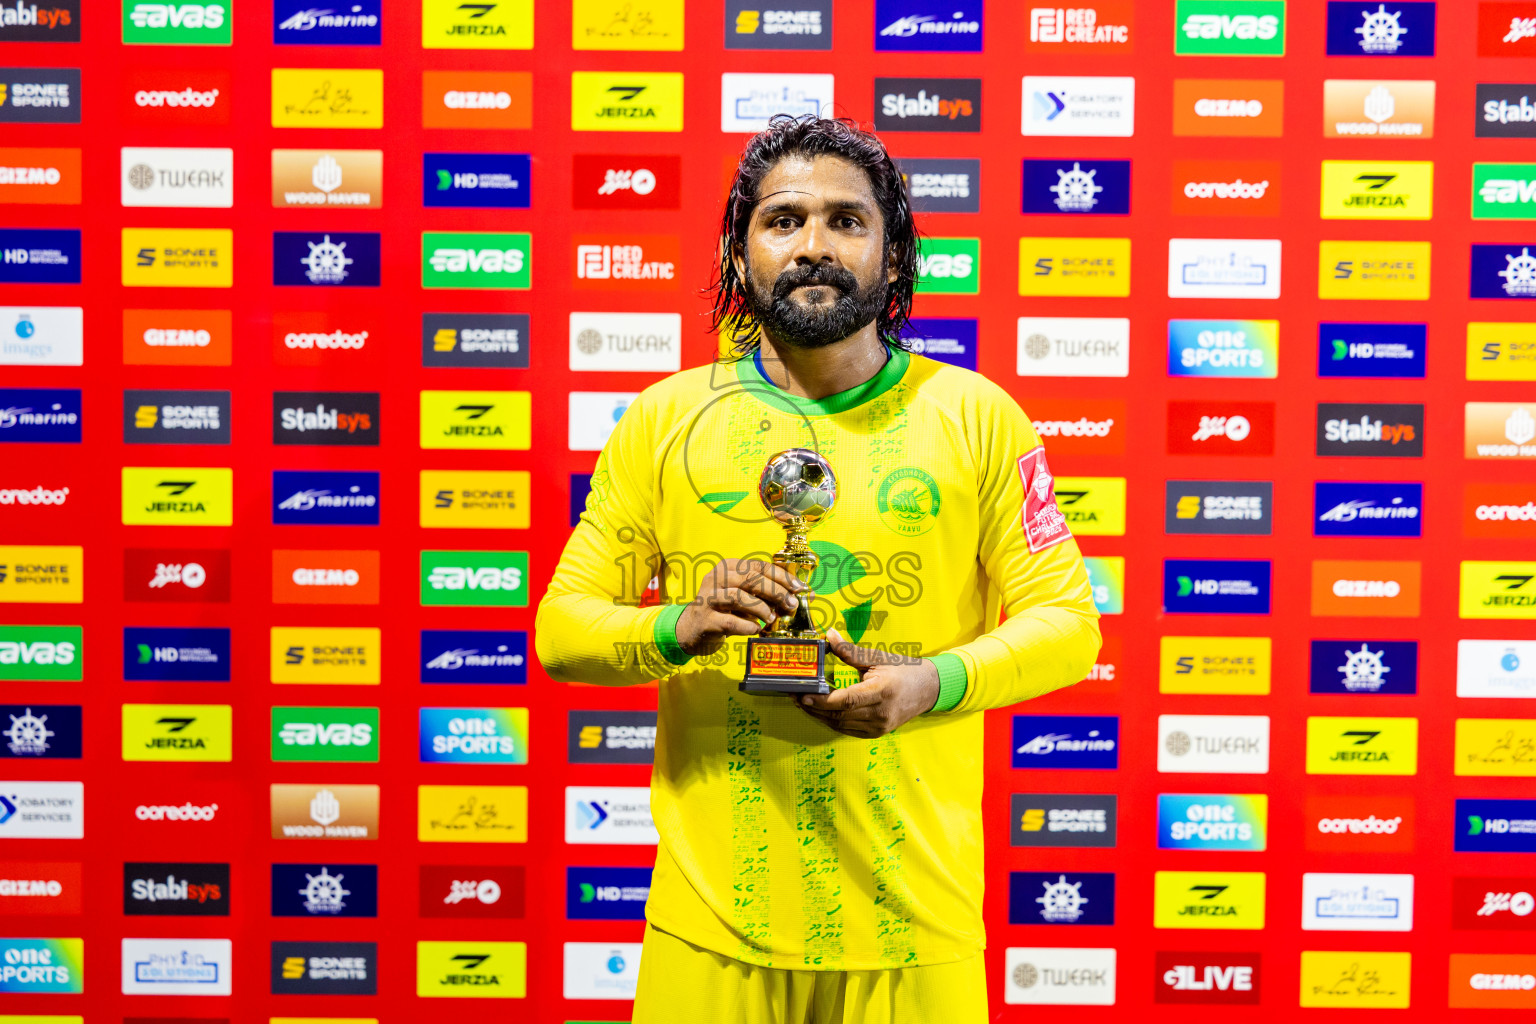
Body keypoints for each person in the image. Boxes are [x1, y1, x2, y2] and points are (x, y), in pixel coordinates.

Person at [536, 115, 1101, 1023]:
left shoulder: (977, 415)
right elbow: (562, 633)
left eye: (847, 220)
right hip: (711, 925)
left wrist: (936, 682)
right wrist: (676, 626)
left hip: (916, 927)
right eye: (783, 219)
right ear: (741, 246)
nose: (813, 246)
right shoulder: (663, 419)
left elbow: (1071, 626)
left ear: (892, 248)